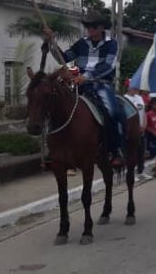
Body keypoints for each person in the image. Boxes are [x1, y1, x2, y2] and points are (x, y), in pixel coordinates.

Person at [48, 11, 123, 166]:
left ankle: (115, 151)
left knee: (113, 112)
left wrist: (86, 76)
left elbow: (108, 65)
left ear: (102, 27)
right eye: (88, 26)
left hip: (101, 84)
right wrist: (52, 42)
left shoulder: (112, 44)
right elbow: (64, 57)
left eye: (93, 26)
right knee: (56, 105)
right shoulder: (81, 43)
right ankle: (55, 149)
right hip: (79, 84)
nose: (90, 29)